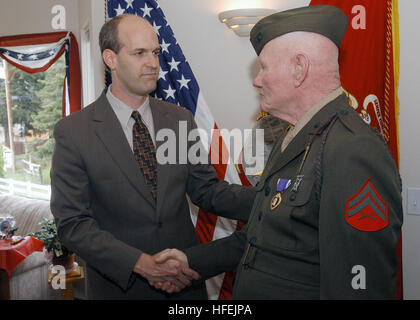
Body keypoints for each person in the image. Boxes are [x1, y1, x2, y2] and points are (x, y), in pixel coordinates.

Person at [154, 5, 403, 299]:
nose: (257, 79)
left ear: (300, 68)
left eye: (265, 67)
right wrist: (190, 262)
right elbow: (259, 235)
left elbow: (359, 287)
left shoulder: (353, 150)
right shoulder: (291, 138)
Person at [50, 14, 256, 299]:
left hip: (184, 286)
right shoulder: (73, 132)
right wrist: (140, 264)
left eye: (156, 52)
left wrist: (268, 201)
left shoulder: (180, 119)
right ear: (110, 58)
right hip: (120, 288)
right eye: (139, 53)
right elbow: (73, 224)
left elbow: (207, 190)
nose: (153, 63)